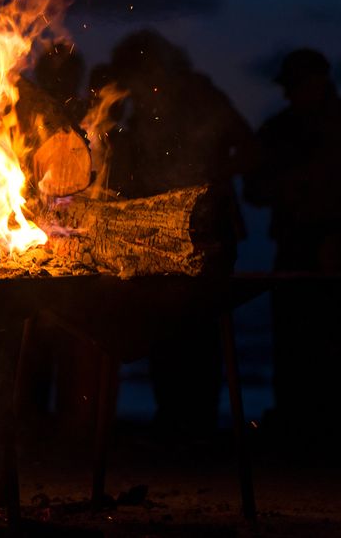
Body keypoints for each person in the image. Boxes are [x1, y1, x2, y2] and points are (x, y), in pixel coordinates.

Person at [243, 48, 341, 437]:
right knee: (298, 336)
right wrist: (289, 188)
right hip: (299, 244)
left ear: (318, 81)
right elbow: (254, 188)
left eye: (296, 85)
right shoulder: (280, 129)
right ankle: (301, 419)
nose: (290, 94)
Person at [107, 29, 254, 437]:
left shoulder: (201, 97)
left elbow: (248, 148)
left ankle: (199, 420)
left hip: (209, 228)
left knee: (202, 326)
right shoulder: (140, 108)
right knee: (163, 325)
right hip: (157, 233)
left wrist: (209, 180)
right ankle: (173, 417)